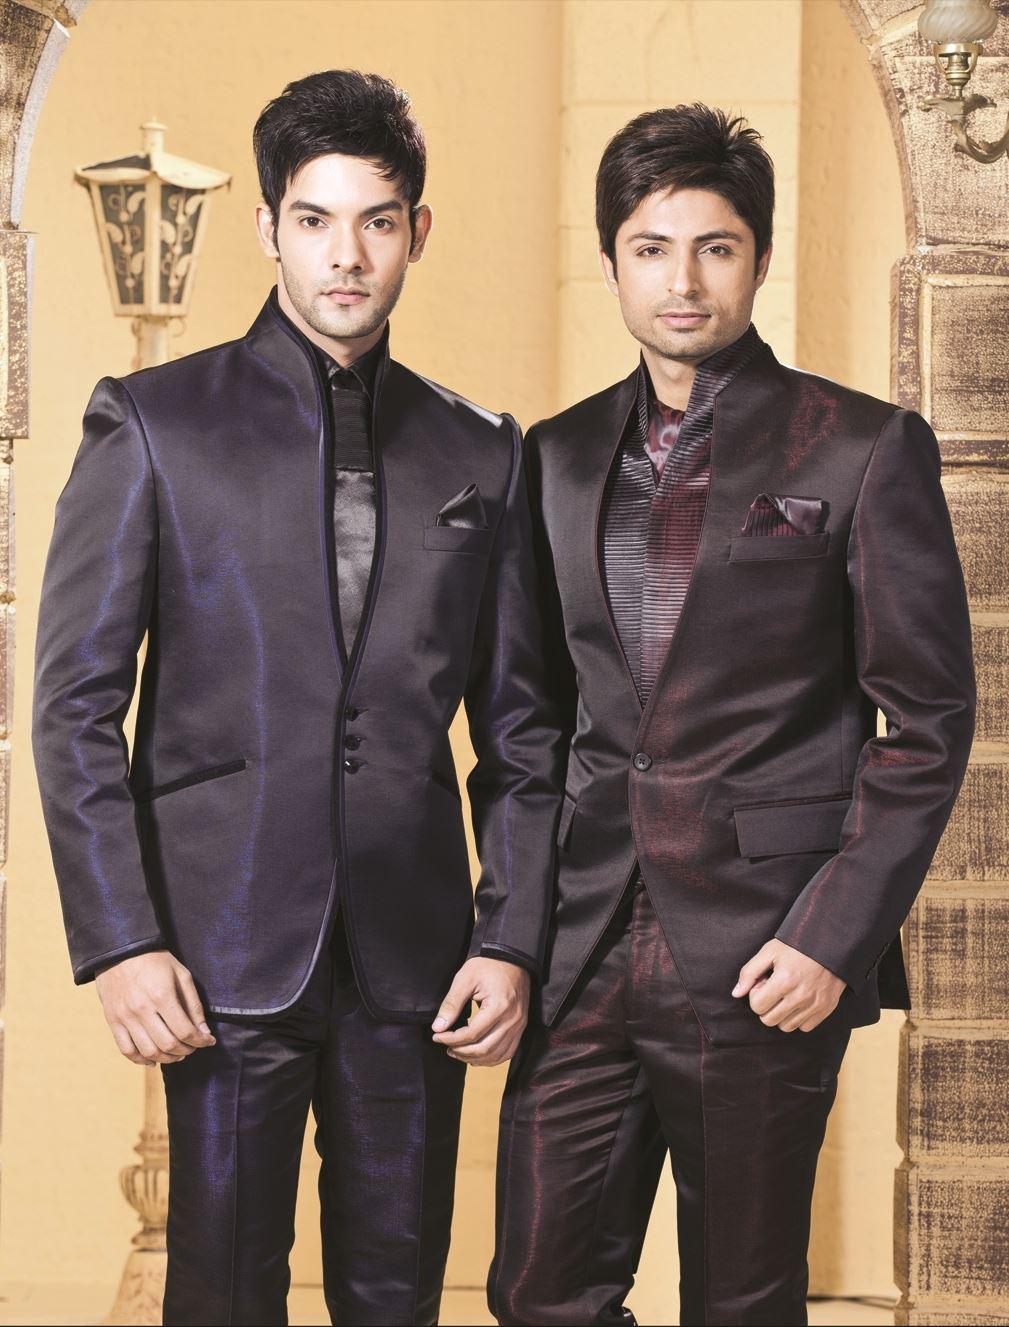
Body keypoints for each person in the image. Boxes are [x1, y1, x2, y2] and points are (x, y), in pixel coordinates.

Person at [33, 69, 562, 1327]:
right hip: (217, 948)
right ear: (269, 226)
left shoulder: (482, 449)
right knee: (220, 1295)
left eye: (377, 222)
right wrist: (120, 939)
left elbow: (525, 735)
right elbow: (73, 706)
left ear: (417, 231)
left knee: (397, 1296)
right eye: (316, 220)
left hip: (416, 961)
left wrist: (509, 937)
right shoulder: (153, 424)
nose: (347, 256)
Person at [488, 103, 976, 1327]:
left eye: (714, 248)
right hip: (585, 941)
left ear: (758, 259)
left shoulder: (859, 447)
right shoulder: (552, 457)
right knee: (539, 1290)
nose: (683, 281)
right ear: (610, 262)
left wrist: (833, 935)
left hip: (767, 950)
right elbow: (529, 726)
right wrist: (511, 932)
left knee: (742, 1301)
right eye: (650, 249)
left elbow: (927, 721)